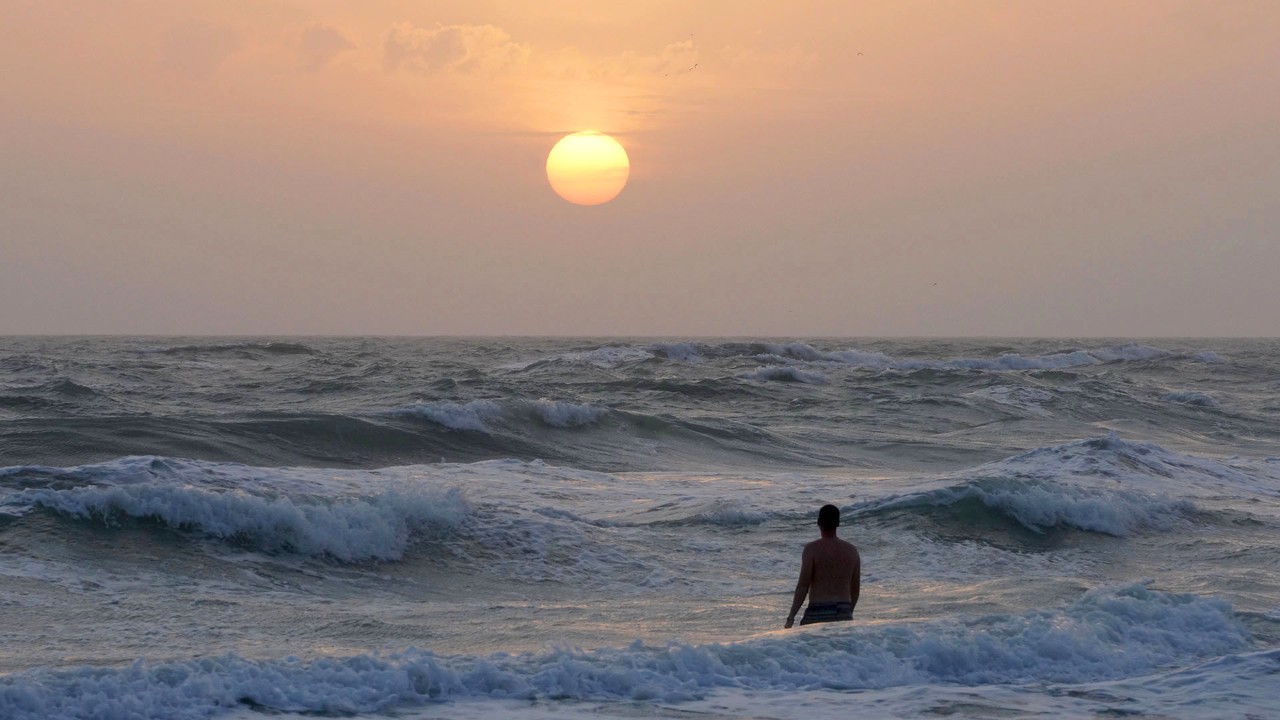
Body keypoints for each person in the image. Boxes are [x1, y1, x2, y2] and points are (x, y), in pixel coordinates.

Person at [785, 504, 860, 628]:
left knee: (811, 646)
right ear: (838, 523)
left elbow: (803, 586)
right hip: (844, 610)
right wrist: (848, 613)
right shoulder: (852, 550)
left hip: (818, 610)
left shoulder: (811, 549)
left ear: (818, 522)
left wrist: (791, 616)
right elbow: (855, 590)